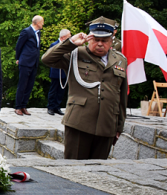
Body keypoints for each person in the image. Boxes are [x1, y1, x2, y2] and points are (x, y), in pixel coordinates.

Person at [41, 20, 128, 160]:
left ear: (111, 41)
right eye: (96, 39)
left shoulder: (120, 60)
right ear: (88, 39)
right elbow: (47, 59)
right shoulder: (76, 54)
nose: (100, 44)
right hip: (79, 123)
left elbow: (121, 96)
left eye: (104, 40)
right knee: (73, 170)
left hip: (107, 125)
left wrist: (119, 126)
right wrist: (70, 43)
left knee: (98, 172)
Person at [14, 15, 44, 116]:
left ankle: (23, 106)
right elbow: (19, 46)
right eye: (42, 22)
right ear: (37, 23)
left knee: (30, 85)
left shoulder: (38, 33)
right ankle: (18, 107)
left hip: (34, 62)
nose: (43, 24)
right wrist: (18, 58)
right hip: (25, 62)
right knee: (22, 85)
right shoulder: (26, 31)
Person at [47, 28, 72, 116]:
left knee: (61, 90)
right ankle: (50, 107)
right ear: (63, 37)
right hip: (56, 70)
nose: (70, 38)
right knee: (53, 89)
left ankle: (57, 107)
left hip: (64, 71)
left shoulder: (68, 46)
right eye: (69, 36)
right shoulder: (54, 45)